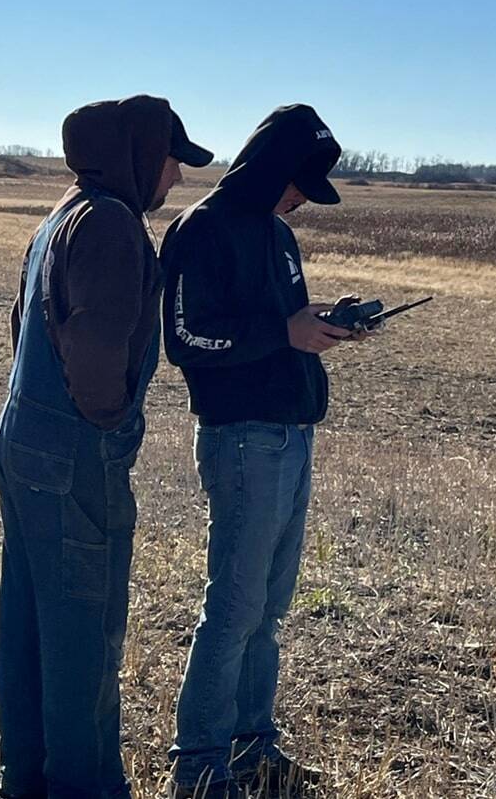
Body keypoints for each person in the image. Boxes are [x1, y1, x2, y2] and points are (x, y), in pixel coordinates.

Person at [0, 95, 213, 799]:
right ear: (142, 154)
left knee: (29, 632)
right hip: (76, 459)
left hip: (23, 441)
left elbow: (19, 322)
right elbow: (93, 348)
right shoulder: (113, 226)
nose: (176, 178)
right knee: (84, 643)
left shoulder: (61, 213)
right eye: (173, 160)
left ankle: (26, 782)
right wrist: (111, 423)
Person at [161, 104, 353, 798]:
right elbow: (187, 341)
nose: (302, 200)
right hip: (242, 439)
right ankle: (200, 764)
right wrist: (286, 331)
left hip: (293, 435)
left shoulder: (278, 237)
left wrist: (323, 324)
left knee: (269, 608)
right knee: (236, 607)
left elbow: (284, 324)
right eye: (298, 185)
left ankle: (251, 747)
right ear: (272, 170)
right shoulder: (201, 230)